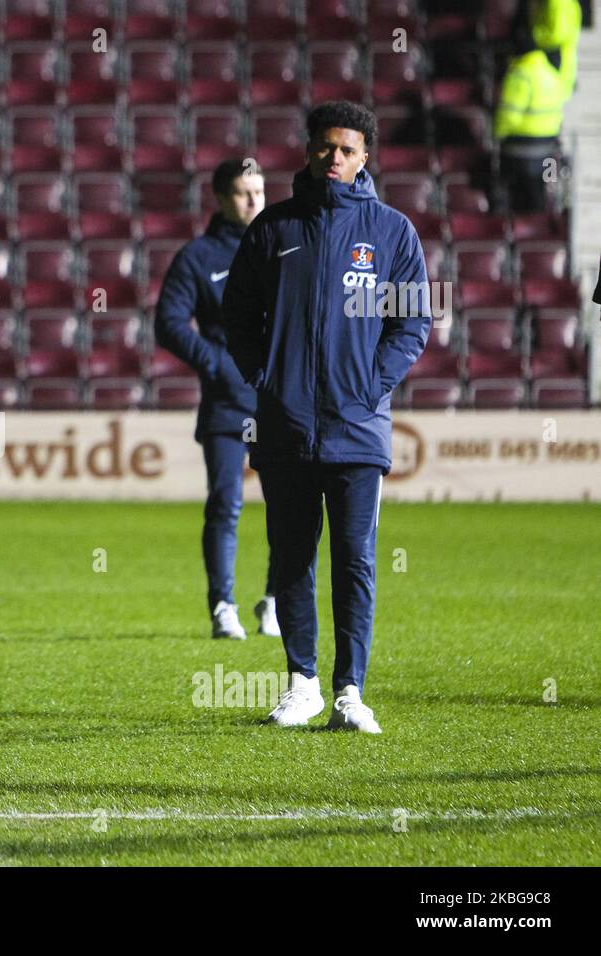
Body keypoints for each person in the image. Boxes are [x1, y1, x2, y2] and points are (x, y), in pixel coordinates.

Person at [221, 101, 432, 734]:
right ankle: (302, 684)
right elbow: (236, 315)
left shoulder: (393, 233)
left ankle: (350, 691)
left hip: (357, 427)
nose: (334, 159)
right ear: (308, 150)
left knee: (356, 561)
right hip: (285, 427)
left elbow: (412, 322)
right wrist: (266, 375)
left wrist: (371, 383)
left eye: (347, 149)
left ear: (366, 157)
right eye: (324, 147)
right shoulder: (273, 229)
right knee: (290, 560)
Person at [154, 158, 280, 641]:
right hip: (228, 403)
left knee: (285, 509)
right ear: (222, 199)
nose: (253, 201)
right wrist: (220, 366)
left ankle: (274, 602)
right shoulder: (199, 257)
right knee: (226, 503)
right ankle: (222, 606)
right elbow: (168, 323)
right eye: (244, 193)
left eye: (260, 191)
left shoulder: (282, 247)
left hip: (279, 402)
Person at [494, 0, 582, 212]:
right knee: (542, 187)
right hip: (547, 142)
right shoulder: (547, 72)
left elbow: (508, 115)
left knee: (523, 192)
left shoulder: (521, 73)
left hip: (520, 147)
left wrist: (495, 135)